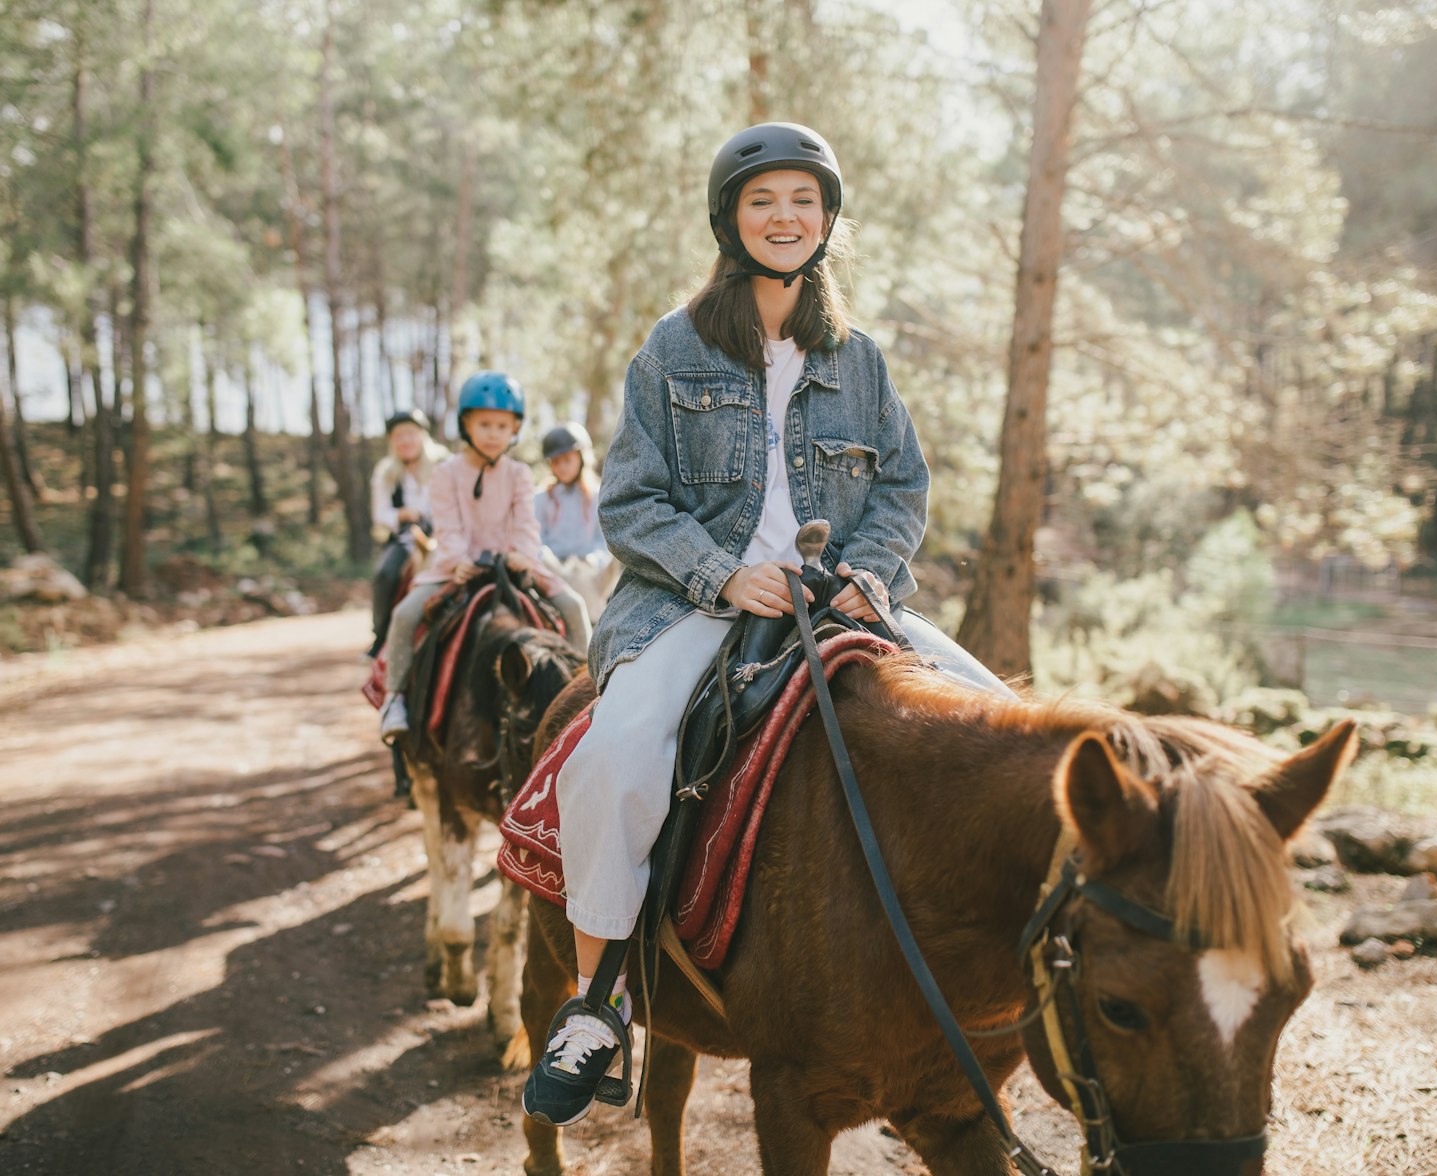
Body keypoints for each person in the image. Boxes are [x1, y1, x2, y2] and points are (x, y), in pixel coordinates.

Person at [521, 122, 1010, 1127]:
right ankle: (598, 1003)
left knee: (1002, 724)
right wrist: (724, 573)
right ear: (730, 220)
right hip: (696, 602)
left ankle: (1023, 992)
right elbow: (631, 502)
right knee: (614, 754)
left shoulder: (860, 360)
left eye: (803, 201)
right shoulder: (674, 347)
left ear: (827, 219)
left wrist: (863, 576)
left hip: (845, 601)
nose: (784, 217)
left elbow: (904, 489)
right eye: (762, 201)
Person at [377, 372, 593, 743]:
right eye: (485, 424)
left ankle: (586, 693)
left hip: (513, 565)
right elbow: (447, 525)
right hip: (455, 567)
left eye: (502, 425)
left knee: (573, 606)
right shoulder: (446, 473)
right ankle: (395, 697)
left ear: (514, 429)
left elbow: (525, 523)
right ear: (466, 425)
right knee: (404, 614)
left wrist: (523, 554)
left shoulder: (520, 474)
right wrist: (459, 559)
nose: (493, 433)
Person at [367, 408, 448, 659]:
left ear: (422, 436)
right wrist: (402, 515)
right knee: (385, 574)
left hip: (444, 535)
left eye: (410, 434)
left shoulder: (443, 464)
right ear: (392, 441)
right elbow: (380, 513)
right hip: (405, 539)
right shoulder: (386, 472)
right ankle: (381, 635)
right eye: (399, 436)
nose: (405, 441)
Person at [534, 422, 618, 621]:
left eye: (566, 460)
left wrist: (594, 559)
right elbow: (537, 536)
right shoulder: (542, 498)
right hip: (554, 567)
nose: (561, 467)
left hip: (587, 569)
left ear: (581, 457)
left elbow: (604, 540)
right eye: (555, 462)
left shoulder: (599, 496)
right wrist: (549, 558)